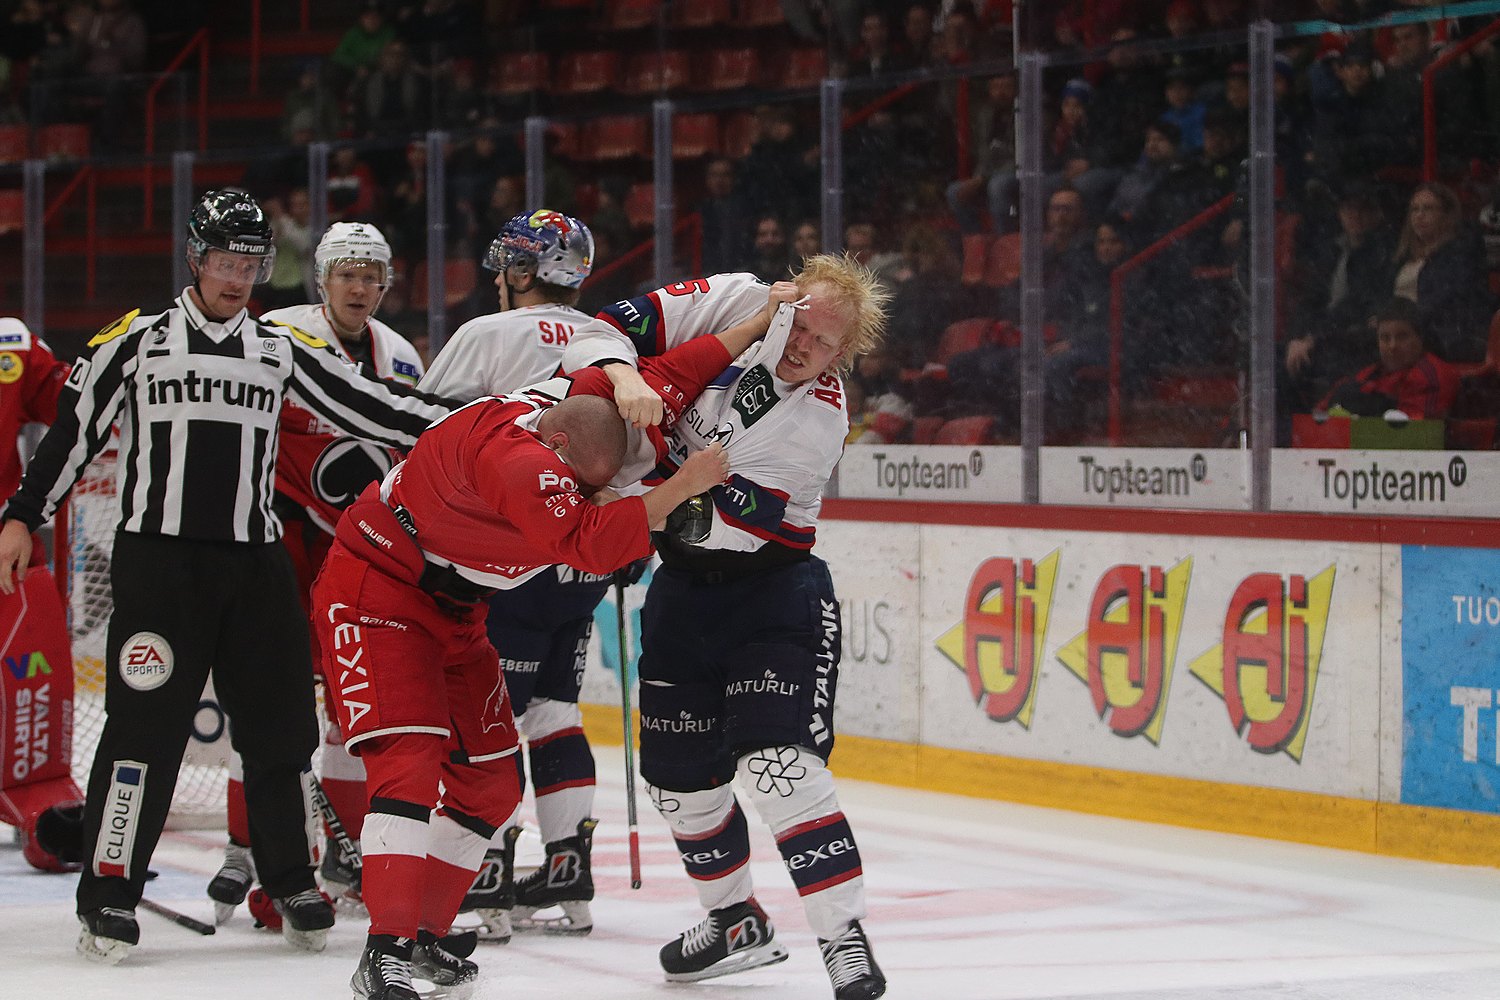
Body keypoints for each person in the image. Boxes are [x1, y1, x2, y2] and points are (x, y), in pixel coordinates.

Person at [0, 190, 454, 965]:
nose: (238, 277)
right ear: (194, 259)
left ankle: (288, 880)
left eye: (251, 264)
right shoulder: (136, 341)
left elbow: (376, 407)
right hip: (160, 566)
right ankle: (110, 889)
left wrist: (480, 421)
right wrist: (21, 514)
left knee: (280, 730)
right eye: (224, 262)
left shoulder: (277, 348)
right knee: (143, 733)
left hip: (256, 565)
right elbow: (72, 436)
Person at [311, 308, 792, 998]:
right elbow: (589, 541)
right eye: (586, 485)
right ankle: (382, 952)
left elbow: (677, 372)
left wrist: (756, 322)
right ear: (555, 444)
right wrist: (684, 486)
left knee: (491, 782)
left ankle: (421, 936)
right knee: (410, 764)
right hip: (378, 589)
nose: (594, 493)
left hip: (457, 608)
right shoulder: (515, 459)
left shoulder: (595, 409)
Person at [560, 255, 891, 1000]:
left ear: (843, 357)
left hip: (772, 599)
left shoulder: (817, 419)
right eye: (799, 323)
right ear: (782, 300)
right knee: (678, 786)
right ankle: (733, 919)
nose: (802, 344)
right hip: (682, 592)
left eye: (823, 342)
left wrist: (615, 510)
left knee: (781, 768)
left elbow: (700, 508)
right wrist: (626, 378)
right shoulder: (735, 300)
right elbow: (604, 328)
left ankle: (844, 939)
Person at [202, 220, 428, 922]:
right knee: (269, 702)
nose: (360, 287)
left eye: (372, 275)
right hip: (279, 541)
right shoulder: (281, 335)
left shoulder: (401, 354)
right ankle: (251, 847)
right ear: (321, 279)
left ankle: (343, 850)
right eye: (347, 274)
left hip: (359, 554)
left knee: (352, 710)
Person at [419, 209, 616, 939]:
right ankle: (569, 871)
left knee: (490, 718)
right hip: (583, 556)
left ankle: (489, 875)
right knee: (556, 709)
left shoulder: (485, 335)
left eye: (507, 265)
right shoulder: (607, 337)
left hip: (509, 556)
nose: (500, 277)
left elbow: (424, 431)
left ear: (524, 270)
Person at [1319, 296, 1460, 420]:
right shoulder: (1367, 375)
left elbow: (1413, 432)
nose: (1392, 346)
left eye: (1402, 336)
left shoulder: (1434, 375)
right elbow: (1318, 417)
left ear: (1420, 338)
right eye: (1385, 338)